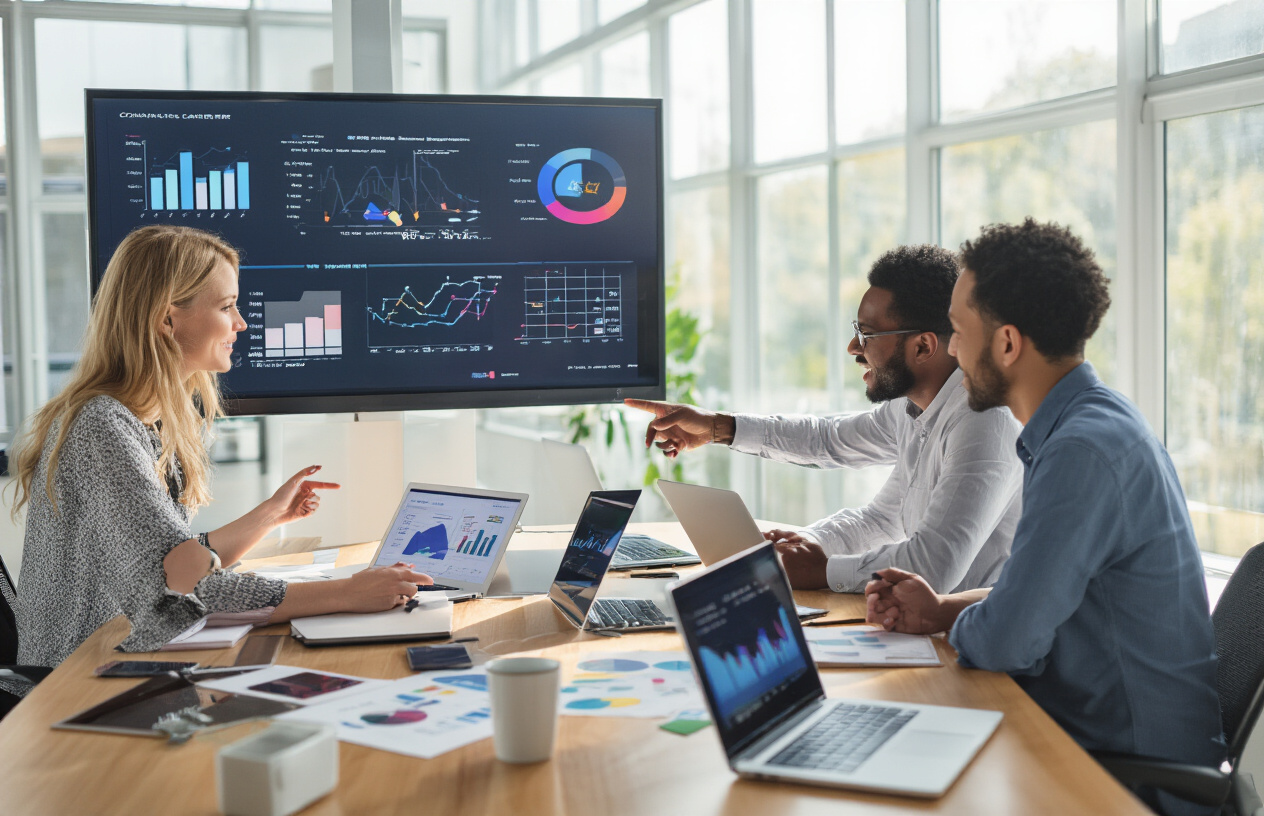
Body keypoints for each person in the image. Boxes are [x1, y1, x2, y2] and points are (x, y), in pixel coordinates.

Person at [864, 219, 1223, 816]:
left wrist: (963, 618)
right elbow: (1041, 596)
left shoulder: (1082, 451)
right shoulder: (1086, 425)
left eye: (957, 332)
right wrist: (941, 608)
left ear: (1006, 343)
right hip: (1088, 741)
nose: (950, 350)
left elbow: (1007, 640)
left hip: (1125, 782)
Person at [0, 225, 431, 704]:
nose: (241, 323)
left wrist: (272, 514)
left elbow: (176, 563)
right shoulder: (102, 426)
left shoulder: (141, 419)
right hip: (74, 680)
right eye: (226, 306)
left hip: (114, 659)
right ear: (168, 320)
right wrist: (346, 593)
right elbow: (187, 589)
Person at [628, 244, 1022, 594]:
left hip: (975, 654)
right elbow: (870, 501)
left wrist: (822, 570)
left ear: (922, 346)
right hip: (923, 630)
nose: (854, 347)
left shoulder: (985, 421)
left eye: (867, 334)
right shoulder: (912, 409)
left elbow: (934, 567)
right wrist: (805, 544)